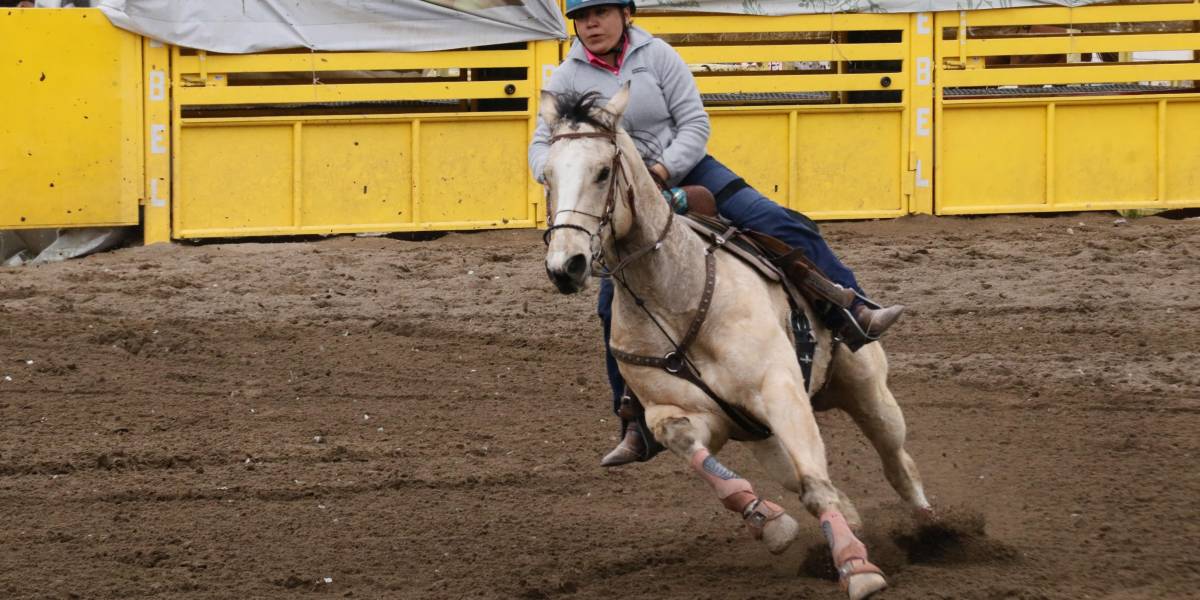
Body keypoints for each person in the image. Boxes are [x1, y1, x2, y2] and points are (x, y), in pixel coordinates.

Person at [528, 0, 904, 467]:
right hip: (619, 194)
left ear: (626, 14)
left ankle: (850, 308)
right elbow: (541, 145)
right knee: (611, 306)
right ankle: (634, 417)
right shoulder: (565, 78)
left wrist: (662, 171)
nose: (591, 23)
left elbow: (694, 123)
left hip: (686, 170)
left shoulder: (658, 56)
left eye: (600, 12)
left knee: (779, 223)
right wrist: (561, 169)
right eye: (582, 17)